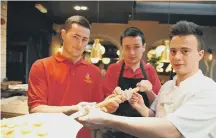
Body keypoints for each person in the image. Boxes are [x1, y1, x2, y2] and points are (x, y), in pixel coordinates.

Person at [78, 21, 216, 138]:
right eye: (173, 51)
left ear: (200, 54)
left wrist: (106, 119)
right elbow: (154, 117)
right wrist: (141, 107)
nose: (177, 57)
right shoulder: (168, 86)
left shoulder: (208, 91)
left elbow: (172, 130)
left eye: (185, 51)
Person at [27, 15, 119, 138]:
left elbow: (95, 113)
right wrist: (74, 108)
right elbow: (35, 109)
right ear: (63, 34)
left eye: (84, 39)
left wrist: (107, 108)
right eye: (75, 37)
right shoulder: (41, 66)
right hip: (47, 134)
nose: (79, 44)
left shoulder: (95, 71)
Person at [101, 27, 161, 138]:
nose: (132, 53)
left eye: (136, 47)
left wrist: (149, 90)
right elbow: (105, 104)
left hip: (143, 130)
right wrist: (114, 97)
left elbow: (157, 104)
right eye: (127, 48)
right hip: (116, 129)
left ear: (144, 47)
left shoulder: (149, 70)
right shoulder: (113, 69)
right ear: (122, 48)